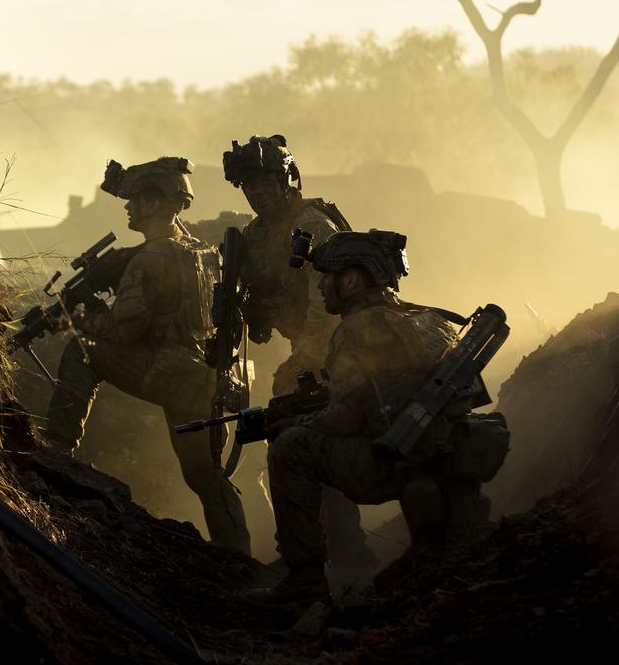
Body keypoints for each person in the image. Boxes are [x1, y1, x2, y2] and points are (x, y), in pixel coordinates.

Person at [251, 229, 502, 606]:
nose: (320, 287)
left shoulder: (355, 328)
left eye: (327, 277)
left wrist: (299, 424)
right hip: (441, 447)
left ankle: (304, 579)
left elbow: (348, 417)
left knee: (290, 449)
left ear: (350, 279)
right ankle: (434, 545)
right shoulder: (428, 319)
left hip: (390, 460)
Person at [42, 157, 251, 554]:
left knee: (82, 352)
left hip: (170, 373)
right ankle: (238, 553)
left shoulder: (150, 258)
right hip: (203, 378)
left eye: (136, 199)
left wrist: (80, 319)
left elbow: (123, 331)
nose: (128, 207)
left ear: (157, 203)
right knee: (205, 474)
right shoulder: (199, 249)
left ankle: (56, 448)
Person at [224, 134, 377, 583]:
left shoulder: (313, 225)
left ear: (287, 178)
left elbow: (323, 301)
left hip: (343, 353)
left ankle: (342, 552)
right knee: (298, 443)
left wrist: (304, 360)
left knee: (313, 446)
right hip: (306, 352)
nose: (256, 194)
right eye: (248, 187)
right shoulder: (257, 233)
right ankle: (321, 553)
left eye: (264, 183)